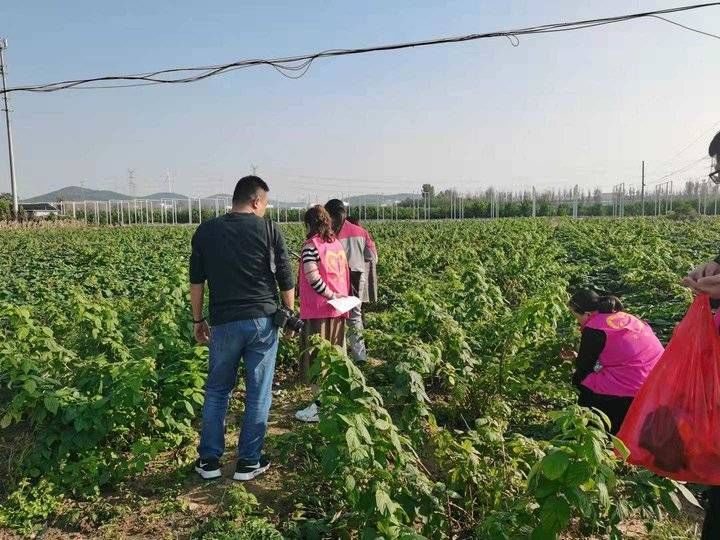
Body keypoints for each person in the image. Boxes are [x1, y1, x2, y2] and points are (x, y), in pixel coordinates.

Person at [189, 176, 295, 482]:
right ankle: (249, 462)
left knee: (217, 389)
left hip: (223, 322)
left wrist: (198, 320)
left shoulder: (207, 231)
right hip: (262, 321)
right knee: (258, 391)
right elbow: (285, 278)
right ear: (257, 201)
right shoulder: (268, 229)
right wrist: (288, 314)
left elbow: (197, 281)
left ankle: (209, 461)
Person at [567, 289, 664, 435]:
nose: (577, 321)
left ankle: (593, 430)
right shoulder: (625, 316)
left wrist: (575, 376)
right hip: (658, 380)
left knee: (584, 382)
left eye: (575, 316)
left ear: (586, 314)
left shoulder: (594, 328)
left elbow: (584, 367)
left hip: (631, 387)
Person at [294, 205, 350, 423]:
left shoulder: (311, 246)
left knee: (317, 359)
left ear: (309, 224)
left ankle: (319, 406)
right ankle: (333, 400)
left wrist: (330, 295)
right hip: (338, 310)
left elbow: (313, 278)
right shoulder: (335, 244)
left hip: (318, 311)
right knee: (335, 356)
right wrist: (338, 297)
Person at [324, 199, 378, 364]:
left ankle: (338, 356)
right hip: (356, 277)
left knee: (335, 316)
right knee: (355, 316)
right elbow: (373, 258)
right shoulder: (361, 232)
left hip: (335, 279)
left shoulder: (327, 233)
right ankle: (360, 357)